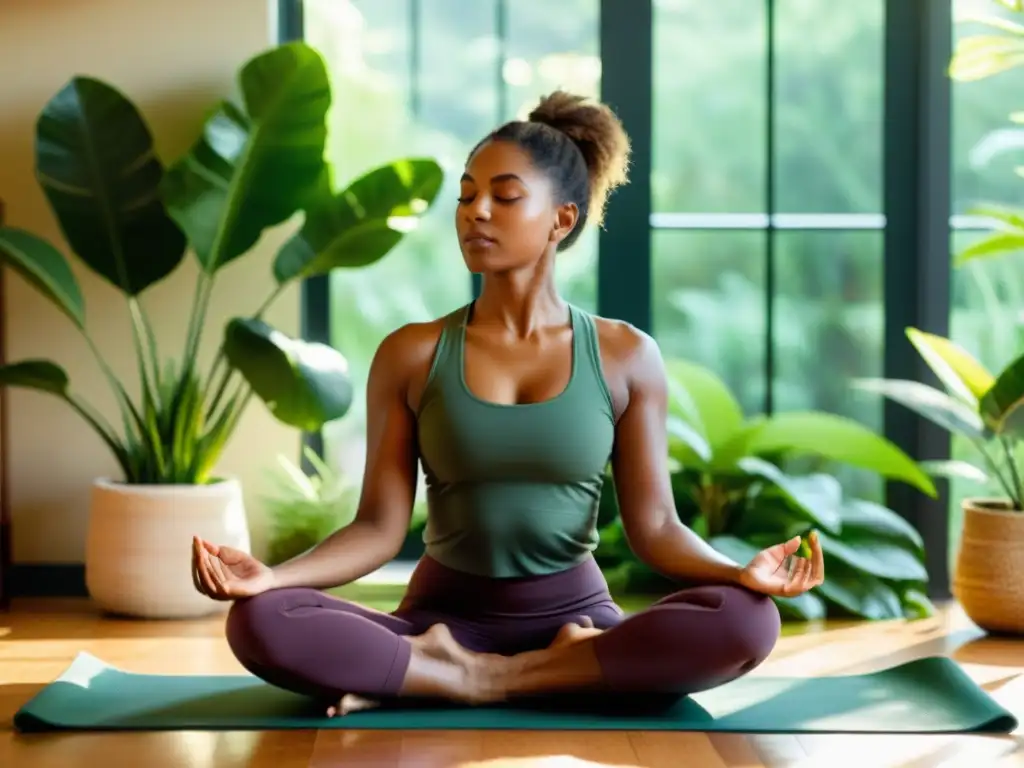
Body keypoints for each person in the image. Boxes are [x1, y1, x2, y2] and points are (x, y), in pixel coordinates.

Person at [191, 90, 825, 717]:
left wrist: (739, 574)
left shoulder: (626, 355)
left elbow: (655, 527)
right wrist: (271, 578)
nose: (476, 213)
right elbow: (378, 528)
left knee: (746, 621)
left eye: (505, 196)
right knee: (261, 620)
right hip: (438, 621)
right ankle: (526, 674)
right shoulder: (411, 353)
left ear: (562, 219)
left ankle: (453, 680)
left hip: (576, 619)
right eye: (467, 197)